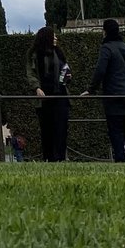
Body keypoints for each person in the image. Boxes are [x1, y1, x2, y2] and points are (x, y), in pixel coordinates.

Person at [84, 18, 125, 162]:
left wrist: (91, 89)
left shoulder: (106, 48)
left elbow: (100, 71)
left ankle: (120, 159)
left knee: (116, 130)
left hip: (113, 94)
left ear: (105, 31)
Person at [33, 25, 70, 161]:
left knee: (61, 128)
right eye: (53, 36)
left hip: (60, 95)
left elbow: (65, 67)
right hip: (45, 97)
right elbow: (31, 73)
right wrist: (37, 87)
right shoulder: (36, 55)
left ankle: (60, 156)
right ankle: (49, 157)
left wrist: (66, 76)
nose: (56, 38)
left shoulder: (59, 53)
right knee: (47, 128)